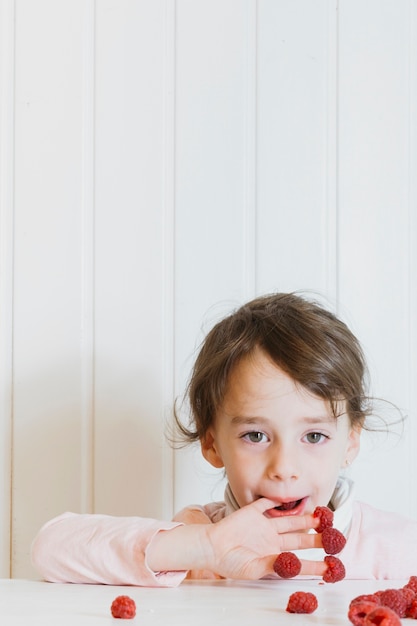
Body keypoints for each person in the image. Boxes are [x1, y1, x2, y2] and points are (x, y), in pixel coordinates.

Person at [31, 292, 417, 586]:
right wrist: (204, 547)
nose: (284, 468)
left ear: (350, 442)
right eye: (256, 435)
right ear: (212, 444)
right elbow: (50, 549)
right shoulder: (198, 537)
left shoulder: (395, 545)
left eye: (314, 435)